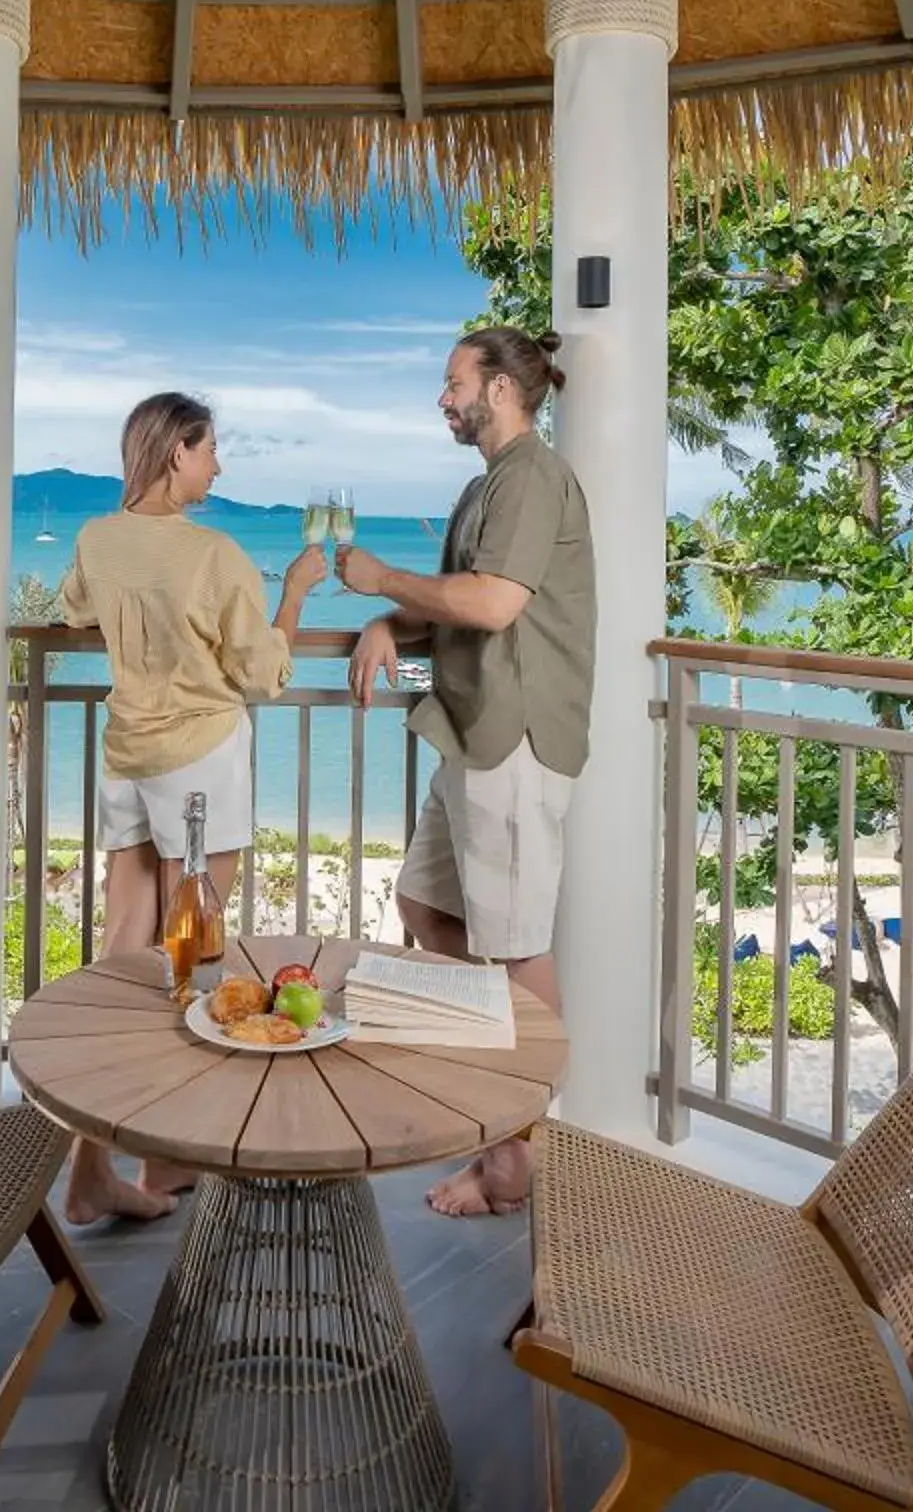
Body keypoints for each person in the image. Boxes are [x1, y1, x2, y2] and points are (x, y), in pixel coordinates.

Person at [339, 326, 594, 1217]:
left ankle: (519, 1157)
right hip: (471, 736)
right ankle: (496, 1094)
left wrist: (379, 582)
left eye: (453, 383)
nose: (442, 399)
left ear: (499, 388)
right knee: (427, 908)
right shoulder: (486, 486)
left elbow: (492, 604)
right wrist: (389, 632)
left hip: (516, 745)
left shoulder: (533, 476)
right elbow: (456, 617)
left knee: (518, 948)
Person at [57, 392, 327, 1223]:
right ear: (177, 451)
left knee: (120, 951)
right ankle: (172, 1153)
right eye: (211, 450)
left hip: (127, 754)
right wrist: (296, 592)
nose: (219, 465)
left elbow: (76, 613)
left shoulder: (98, 537)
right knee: (191, 961)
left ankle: (100, 1164)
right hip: (200, 761)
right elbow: (261, 674)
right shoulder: (214, 555)